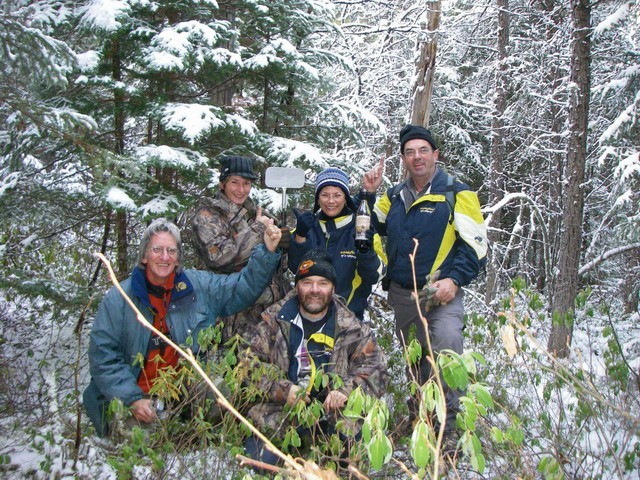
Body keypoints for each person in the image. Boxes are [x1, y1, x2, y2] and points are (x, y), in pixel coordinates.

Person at [83, 217, 282, 437]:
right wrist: (132, 398)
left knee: (219, 392)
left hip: (180, 389)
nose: (164, 257)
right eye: (157, 249)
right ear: (144, 256)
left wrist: (267, 252)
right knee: (138, 442)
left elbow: (240, 289)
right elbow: (103, 357)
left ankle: (194, 436)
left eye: (171, 250)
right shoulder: (120, 299)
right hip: (137, 393)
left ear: (178, 258)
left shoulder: (196, 285)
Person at [363, 124, 488, 436]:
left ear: (435, 154)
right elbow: (370, 227)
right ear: (404, 159)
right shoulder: (393, 196)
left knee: (447, 347)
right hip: (403, 294)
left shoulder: (457, 193)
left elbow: (476, 246)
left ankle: (450, 429)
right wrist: (367, 192)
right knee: (416, 359)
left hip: (441, 292)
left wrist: (454, 281)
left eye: (422, 150)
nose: (416, 157)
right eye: (409, 152)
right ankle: (423, 417)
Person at [243, 249, 388, 465]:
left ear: (333, 288)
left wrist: (345, 390)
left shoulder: (351, 326)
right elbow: (248, 364)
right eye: (307, 282)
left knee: (350, 460)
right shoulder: (273, 321)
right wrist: (284, 390)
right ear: (297, 286)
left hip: (333, 414)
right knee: (260, 462)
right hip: (281, 411)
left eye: (323, 283)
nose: (314, 290)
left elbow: (377, 369)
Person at [189, 156, 289, 342]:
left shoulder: (257, 214)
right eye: (234, 182)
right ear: (223, 184)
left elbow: (281, 266)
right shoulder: (207, 215)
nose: (241, 189)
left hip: (267, 314)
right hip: (229, 315)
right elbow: (219, 258)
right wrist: (258, 230)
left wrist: (283, 242)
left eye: (246, 183)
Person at [288, 167, 385, 320]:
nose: (331, 201)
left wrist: (365, 251)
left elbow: (376, 276)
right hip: (308, 315)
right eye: (325, 195)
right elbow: (295, 268)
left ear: (346, 198)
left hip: (349, 318)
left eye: (337, 195)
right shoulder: (307, 227)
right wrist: (300, 236)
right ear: (318, 199)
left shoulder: (362, 228)